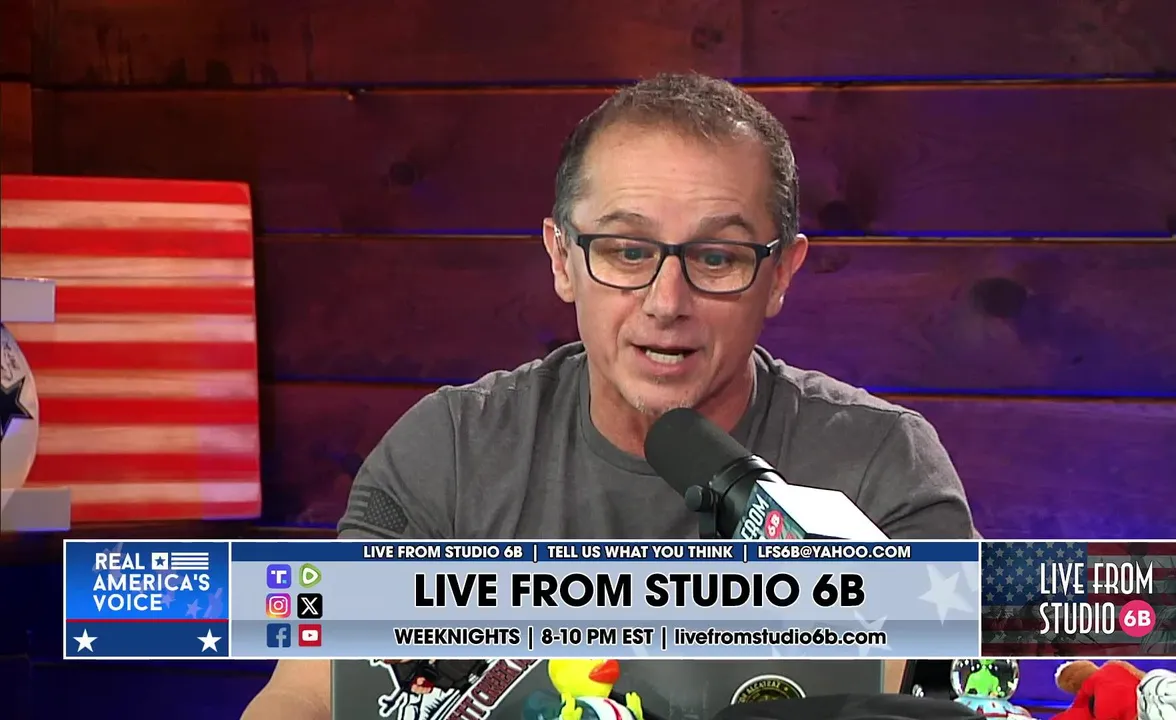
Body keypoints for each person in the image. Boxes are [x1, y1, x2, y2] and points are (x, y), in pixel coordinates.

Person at [241, 72, 978, 719]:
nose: (666, 302)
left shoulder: (881, 463)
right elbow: (308, 694)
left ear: (780, 274)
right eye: (628, 251)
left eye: (716, 257)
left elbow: (954, 696)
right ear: (563, 259)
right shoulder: (450, 452)